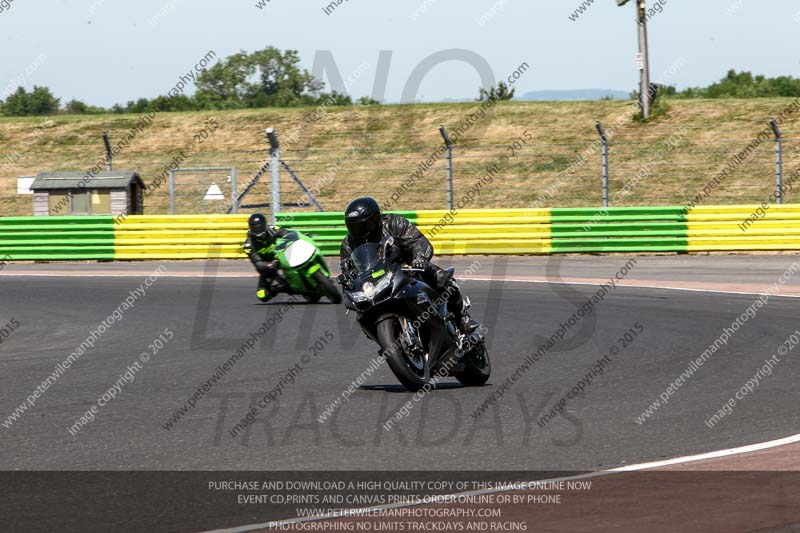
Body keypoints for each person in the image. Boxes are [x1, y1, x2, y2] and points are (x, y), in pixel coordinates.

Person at [339, 197, 481, 336]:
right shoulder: (348, 244)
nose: (359, 231)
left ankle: (462, 317)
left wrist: (420, 258)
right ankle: (391, 341)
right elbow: (347, 273)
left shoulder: (394, 223)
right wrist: (348, 281)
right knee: (361, 314)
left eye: (363, 225)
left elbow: (417, 242)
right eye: (354, 227)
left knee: (440, 277)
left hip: (406, 267)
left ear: (375, 219)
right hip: (375, 281)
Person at [244, 213, 289, 302]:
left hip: (283, 256)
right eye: (254, 227)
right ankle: (279, 288)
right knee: (262, 295)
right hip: (268, 267)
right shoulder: (248, 245)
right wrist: (269, 265)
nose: (257, 229)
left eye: (259, 226)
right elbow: (257, 263)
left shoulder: (272, 229)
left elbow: (287, 233)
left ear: (264, 225)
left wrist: (300, 236)